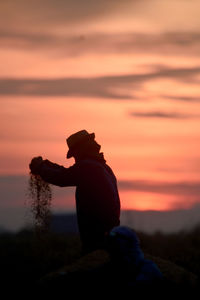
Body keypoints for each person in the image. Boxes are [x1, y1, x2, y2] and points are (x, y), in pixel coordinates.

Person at [29, 130, 121, 254]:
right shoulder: (103, 168)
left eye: (75, 154)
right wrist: (45, 164)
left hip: (97, 236)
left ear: (81, 150)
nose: (75, 158)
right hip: (109, 233)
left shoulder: (88, 167)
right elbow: (66, 172)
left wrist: (41, 167)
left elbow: (62, 177)